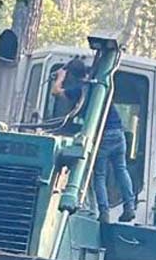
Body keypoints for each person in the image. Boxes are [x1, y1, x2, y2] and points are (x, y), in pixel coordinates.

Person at [52, 58, 136, 223]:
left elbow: (55, 92)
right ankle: (129, 206)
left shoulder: (80, 90)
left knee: (99, 174)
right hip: (118, 133)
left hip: (103, 136)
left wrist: (60, 77)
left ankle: (103, 212)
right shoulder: (97, 86)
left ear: (71, 76)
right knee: (121, 169)